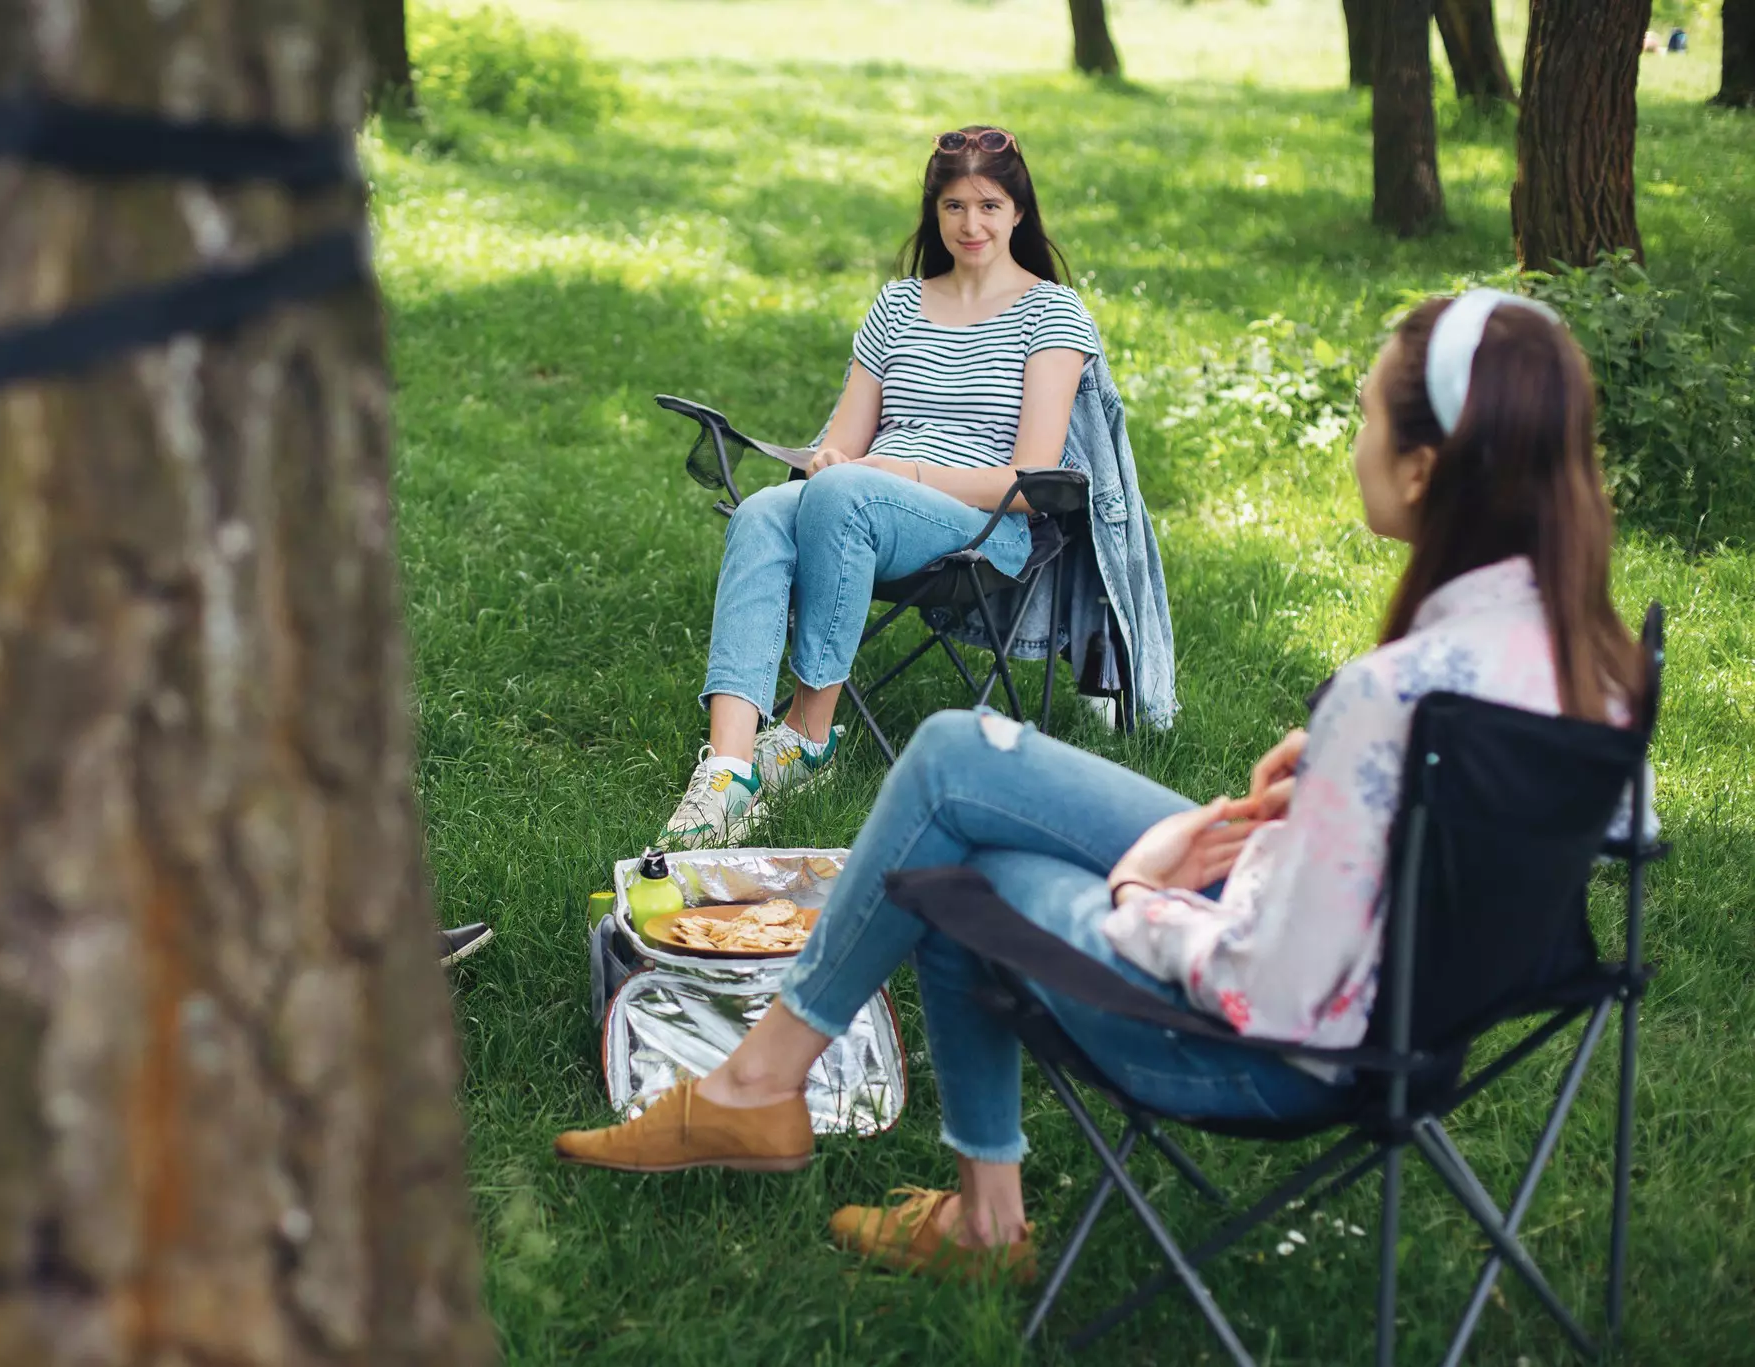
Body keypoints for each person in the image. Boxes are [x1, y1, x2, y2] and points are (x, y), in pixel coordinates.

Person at [559, 289, 1646, 1282]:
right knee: (954, 754)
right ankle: (802, 1110)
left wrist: (1143, 887)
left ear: (1422, 469)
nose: (1357, 440)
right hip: (1389, 978)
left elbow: (1264, 988)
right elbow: (1497, 830)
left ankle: (842, 1136)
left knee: (954, 854)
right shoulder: (1586, 662)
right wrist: (1335, 784)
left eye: (1367, 415)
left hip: (1275, 1048)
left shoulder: (1392, 698)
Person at [656, 126, 1103, 849]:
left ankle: (808, 738)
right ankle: (730, 768)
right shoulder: (897, 305)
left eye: (990, 205)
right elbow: (842, 442)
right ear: (935, 213)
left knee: (841, 495)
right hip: (867, 500)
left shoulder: (1051, 313)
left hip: (980, 520)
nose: (972, 224)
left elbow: (1028, 482)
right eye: (954, 206)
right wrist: (835, 460)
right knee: (767, 508)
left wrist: (899, 474)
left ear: (1019, 211)